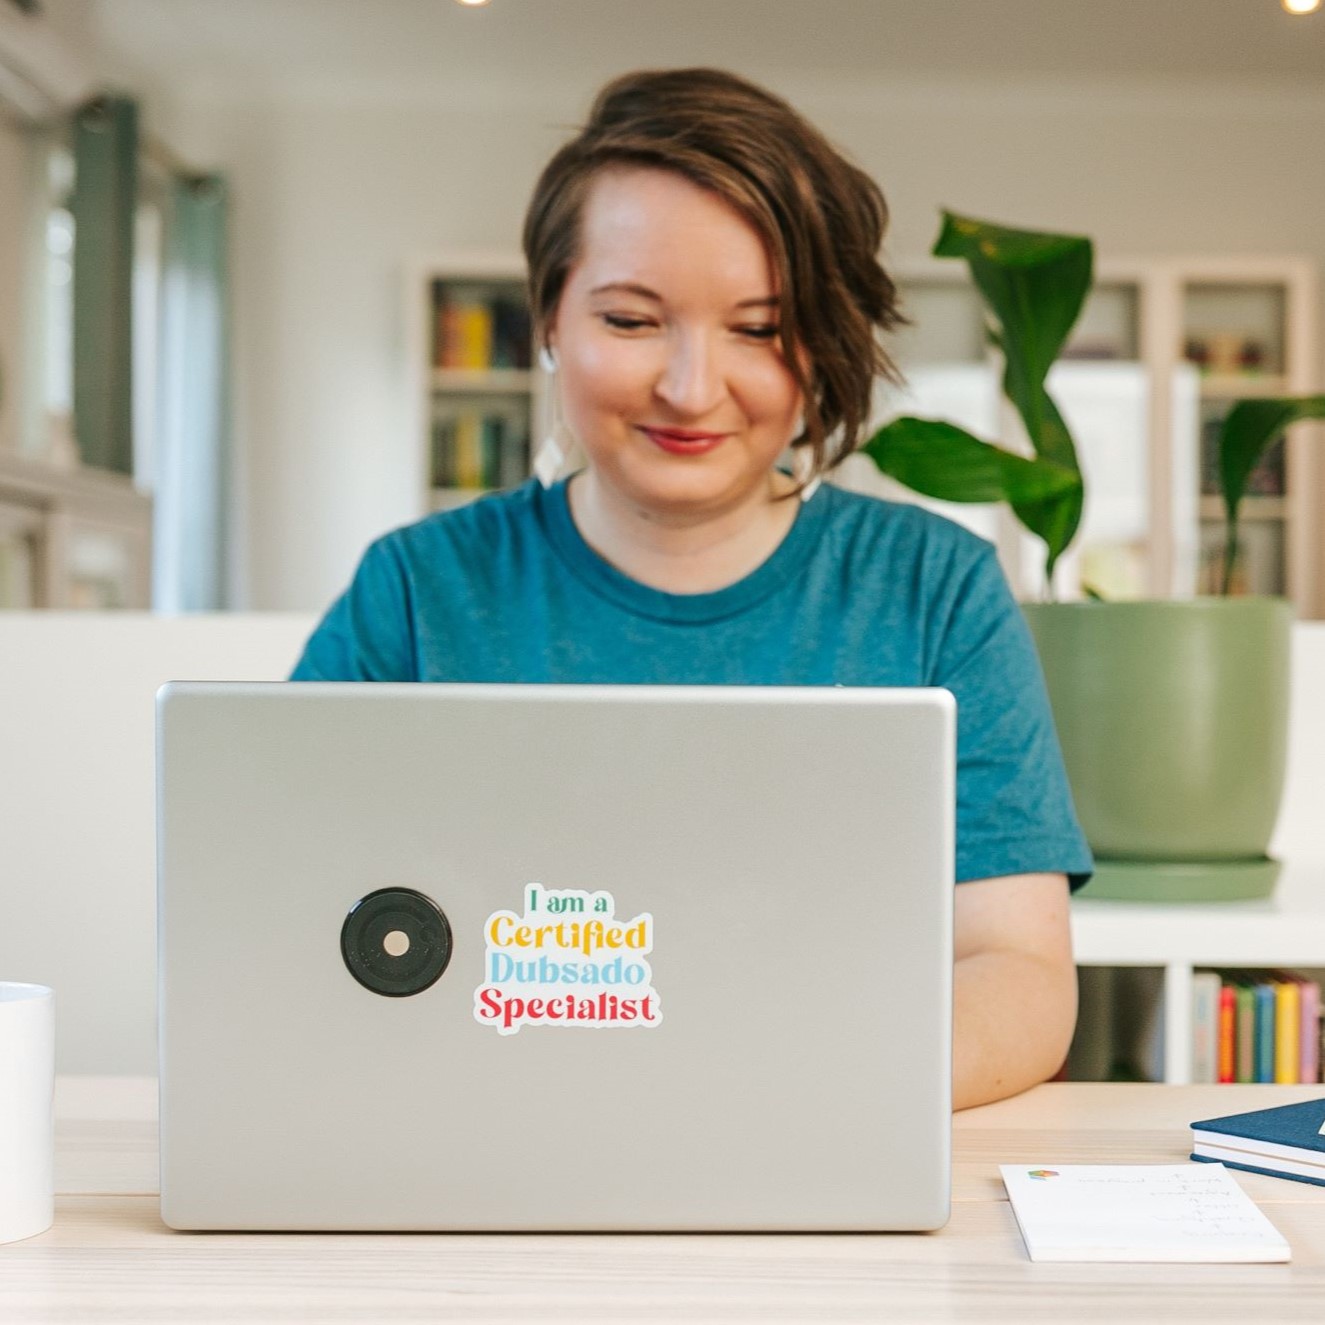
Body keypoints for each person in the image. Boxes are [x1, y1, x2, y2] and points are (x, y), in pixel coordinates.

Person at [291, 67, 1093, 1110]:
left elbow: (1017, 972)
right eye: (630, 320)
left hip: (822, 1142)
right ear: (547, 318)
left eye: (757, 327)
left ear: (819, 346)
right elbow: (285, 921)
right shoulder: (416, 588)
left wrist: (767, 1091)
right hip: (489, 1144)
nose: (688, 385)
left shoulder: (934, 587)